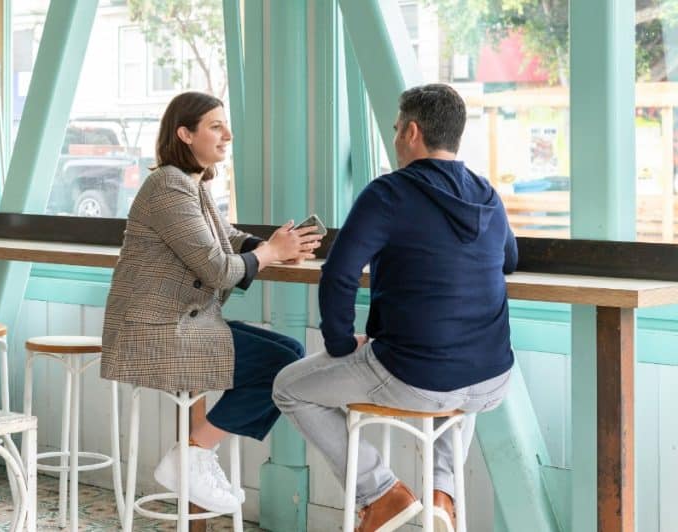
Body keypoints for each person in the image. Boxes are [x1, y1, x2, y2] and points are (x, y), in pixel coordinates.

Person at [272, 83, 517, 532]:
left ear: (411, 132)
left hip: (415, 377)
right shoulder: (486, 194)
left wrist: (342, 344)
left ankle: (380, 493)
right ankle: (442, 494)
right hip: (493, 379)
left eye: (395, 128)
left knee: (289, 386)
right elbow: (511, 258)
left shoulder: (389, 192)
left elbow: (340, 273)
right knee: (459, 380)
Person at [101, 91, 323, 514]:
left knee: (291, 354)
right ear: (185, 134)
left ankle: (195, 454)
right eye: (216, 126)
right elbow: (218, 269)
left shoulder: (191, 184)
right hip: (156, 333)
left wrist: (274, 245)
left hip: (184, 323)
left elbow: (226, 236)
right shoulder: (167, 185)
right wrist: (271, 253)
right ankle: (191, 456)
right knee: (283, 367)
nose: (228, 135)